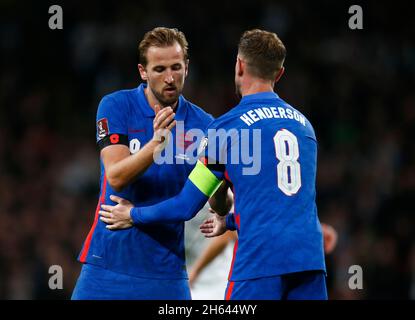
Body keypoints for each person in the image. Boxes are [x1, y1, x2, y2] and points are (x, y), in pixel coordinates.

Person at [100, 29, 327, 300]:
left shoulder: (226, 128)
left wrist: (134, 214)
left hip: (261, 260)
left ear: (239, 66)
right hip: (310, 259)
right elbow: (280, 200)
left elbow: (186, 205)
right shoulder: (304, 126)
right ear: (279, 74)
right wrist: (229, 221)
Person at [72, 27, 231, 300]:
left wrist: (216, 180)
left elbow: (221, 203)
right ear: (143, 72)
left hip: (166, 273)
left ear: (187, 68)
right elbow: (116, 176)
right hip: (108, 266)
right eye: (159, 69)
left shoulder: (206, 126)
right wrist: (157, 143)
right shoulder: (116, 106)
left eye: (176, 67)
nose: (170, 78)